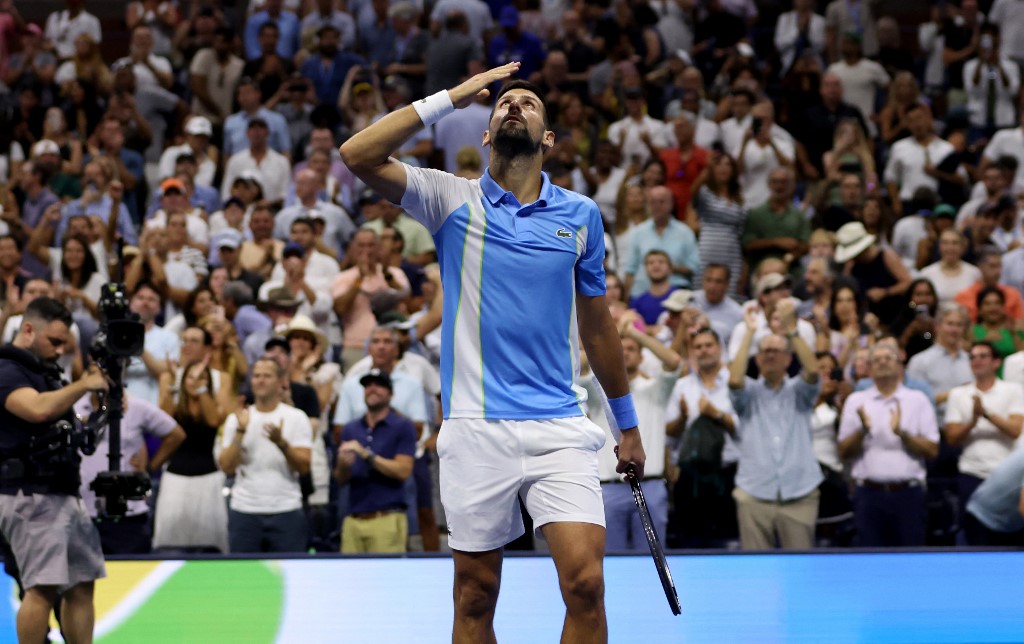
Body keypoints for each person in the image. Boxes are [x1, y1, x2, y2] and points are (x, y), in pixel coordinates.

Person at [339, 63, 645, 642]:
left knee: (585, 585)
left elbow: (598, 328)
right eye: (505, 103)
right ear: (485, 132)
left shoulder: (580, 216)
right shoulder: (447, 198)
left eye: (529, 105)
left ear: (547, 139)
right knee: (475, 596)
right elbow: (356, 154)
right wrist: (451, 98)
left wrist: (626, 425)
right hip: (475, 428)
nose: (514, 107)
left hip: (559, 424)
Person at [0, 297, 108, 643]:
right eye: (55, 341)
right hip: (28, 493)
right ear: (28, 329)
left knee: (80, 585)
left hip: (63, 490)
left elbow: (65, 427)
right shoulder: (6, 369)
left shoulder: (47, 373)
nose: (60, 350)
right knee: (42, 589)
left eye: (66, 344)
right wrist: (83, 385)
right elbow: (36, 410)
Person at [728, 299, 822, 550]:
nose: (770, 354)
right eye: (764, 351)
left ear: (788, 359)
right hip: (754, 492)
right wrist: (749, 331)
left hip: (799, 492)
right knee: (756, 573)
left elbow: (813, 371)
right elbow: (735, 380)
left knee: (802, 570)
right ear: (756, 360)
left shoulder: (799, 393)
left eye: (776, 351)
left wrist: (792, 331)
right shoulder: (749, 394)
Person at [838, 343, 939, 546]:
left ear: (900, 363)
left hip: (908, 494)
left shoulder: (917, 399)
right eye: (877, 359)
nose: (883, 362)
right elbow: (843, 451)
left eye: (888, 358)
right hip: (868, 494)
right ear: (869, 368)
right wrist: (862, 432)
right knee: (870, 561)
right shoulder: (856, 401)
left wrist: (902, 434)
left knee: (911, 560)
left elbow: (932, 450)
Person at [219, 357, 312, 553]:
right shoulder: (236, 419)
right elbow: (226, 467)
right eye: (257, 376)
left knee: (290, 576)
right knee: (244, 579)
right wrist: (240, 431)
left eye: (267, 376)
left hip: (286, 509)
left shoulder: (296, 417)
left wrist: (282, 443)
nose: (260, 380)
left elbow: (304, 467)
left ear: (281, 382)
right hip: (244, 510)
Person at [944, 340, 1024, 543]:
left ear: (996, 362)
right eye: (972, 357)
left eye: (983, 356)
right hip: (971, 473)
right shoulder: (958, 394)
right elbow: (951, 438)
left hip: (1005, 476)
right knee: (972, 541)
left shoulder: (1013, 390)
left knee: (1009, 541)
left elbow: (1015, 430)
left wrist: (985, 413)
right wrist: (972, 421)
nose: (976, 361)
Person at [334, 369, 417, 553]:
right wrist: (342, 464)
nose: (372, 389)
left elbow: (403, 471)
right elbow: (340, 479)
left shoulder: (403, 427)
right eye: (368, 386)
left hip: (386, 518)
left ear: (390, 393)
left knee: (387, 579)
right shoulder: (350, 429)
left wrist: (366, 455)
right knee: (349, 579)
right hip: (353, 519)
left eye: (379, 385)